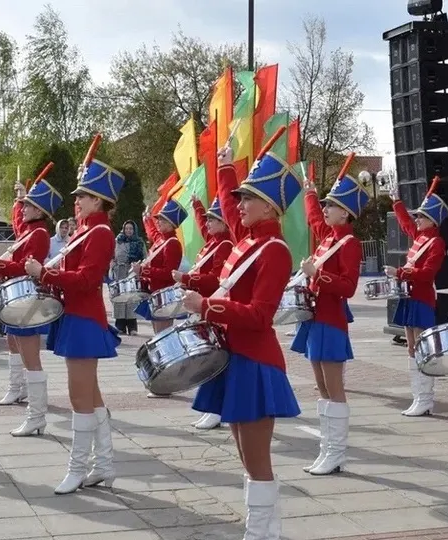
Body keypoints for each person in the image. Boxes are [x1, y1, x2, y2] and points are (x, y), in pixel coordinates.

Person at [184, 143, 300, 539]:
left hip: (255, 359)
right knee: (244, 455)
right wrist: (225, 166)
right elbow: (228, 207)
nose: (239, 203)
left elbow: (260, 315)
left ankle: (262, 532)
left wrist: (208, 308)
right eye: (241, 197)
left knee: (257, 459)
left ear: (270, 207)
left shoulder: (275, 250)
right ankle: (264, 528)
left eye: (249, 198)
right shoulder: (247, 241)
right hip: (234, 356)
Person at [25, 155, 123, 495]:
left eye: (81, 195)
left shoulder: (100, 232)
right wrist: (47, 281)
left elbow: (87, 279)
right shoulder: (85, 230)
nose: (75, 200)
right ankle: (105, 464)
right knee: (91, 396)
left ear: (97, 199)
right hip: (74, 317)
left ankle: (78, 468)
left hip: (84, 320)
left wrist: (46, 273)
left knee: (78, 398)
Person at [293, 165, 367, 476]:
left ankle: (336, 452)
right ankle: (327, 448)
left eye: (332, 205)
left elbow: (348, 287)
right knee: (321, 387)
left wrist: (317, 275)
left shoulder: (349, 243)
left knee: (333, 388)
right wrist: (310, 192)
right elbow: (312, 219)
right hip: (314, 318)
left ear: (346, 213)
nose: (326, 209)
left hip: (332, 320)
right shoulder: (328, 236)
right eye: (326, 204)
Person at [0, 177, 62, 437]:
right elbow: (18, 224)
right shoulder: (30, 229)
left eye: (28, 206)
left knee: (32, 359)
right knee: (13, 344)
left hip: (27, 298)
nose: (24, 209)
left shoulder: (39, 234)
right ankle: (17, 388)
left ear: (39, 211)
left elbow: (28, 266)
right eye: (24, 206)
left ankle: (36, 415)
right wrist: (20, 197)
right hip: (16, 297)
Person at [385, 178, 447, 417]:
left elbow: (428, 273)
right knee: (411, 347)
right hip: (410, 296)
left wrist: (400, 272)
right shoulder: (420, 237)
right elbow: (405, 224)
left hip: (422, 298)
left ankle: (426, 398)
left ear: (432, 219)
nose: (417, 219)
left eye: (421, 216)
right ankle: (418, 397)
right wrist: (396, 202)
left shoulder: (436, 243)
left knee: (421, 348)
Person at [173, 194, 233, 430]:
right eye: (207, 219)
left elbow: (216, 280)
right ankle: (211, 407)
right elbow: (200, 223)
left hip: (212, 305)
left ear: (224, 222)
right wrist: (197, 205)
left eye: (213, 219)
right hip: (203, 306)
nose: (207, 223)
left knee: (213, 358)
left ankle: (217, 408)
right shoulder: (213, 242)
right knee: (205, 359)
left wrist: (187, 278)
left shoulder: (226, 244)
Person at [133, 199, 186, 336]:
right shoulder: (161, 239)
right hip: (154, 292)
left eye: (162, 220)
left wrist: (144, 270)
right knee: (157, 334)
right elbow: (152, 232)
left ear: (171, 224)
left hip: (164, 295)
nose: (158, 222)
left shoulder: (172, 243)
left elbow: (169, 273)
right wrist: (146, 219)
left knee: (162, 335)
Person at [111, 220, 146, 335]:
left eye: (130, 229)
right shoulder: (118, 240)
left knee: (132, 299)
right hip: (120, 272)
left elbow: (144, 258)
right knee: (120, 299)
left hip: (132, 273)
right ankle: (120, 325)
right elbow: (112, 255)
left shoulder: (139, 242)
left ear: (134, 230)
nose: (128, 231)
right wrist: (112, 264)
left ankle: (132, 327)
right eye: (126, 229)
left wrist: (139, 268)